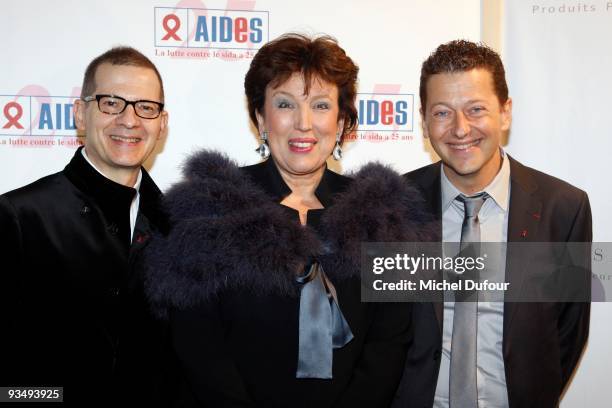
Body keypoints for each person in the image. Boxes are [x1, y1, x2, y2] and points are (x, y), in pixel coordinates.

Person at [144, 33, 429, 408]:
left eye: (322, 106)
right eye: (285, 104)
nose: (303, 124)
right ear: (261, 116)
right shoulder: (212, 207)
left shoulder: (381, 215)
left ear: (342, 120)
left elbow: (388, 344)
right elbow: (198, 344)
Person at [393, 40, 592, 407]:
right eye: (442, 113)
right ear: (423, 121)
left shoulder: (565, 209)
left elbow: (567, 333)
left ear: (505, 113)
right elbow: (382, 333)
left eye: (476, 109)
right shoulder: (394, 205)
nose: (460, 128)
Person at [0, 46, 170, 405]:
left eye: (146, 107)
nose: (129, 120)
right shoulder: (20, 216)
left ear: (162, 123)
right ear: (80, 114)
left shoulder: (178, 224)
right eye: (111, 103)